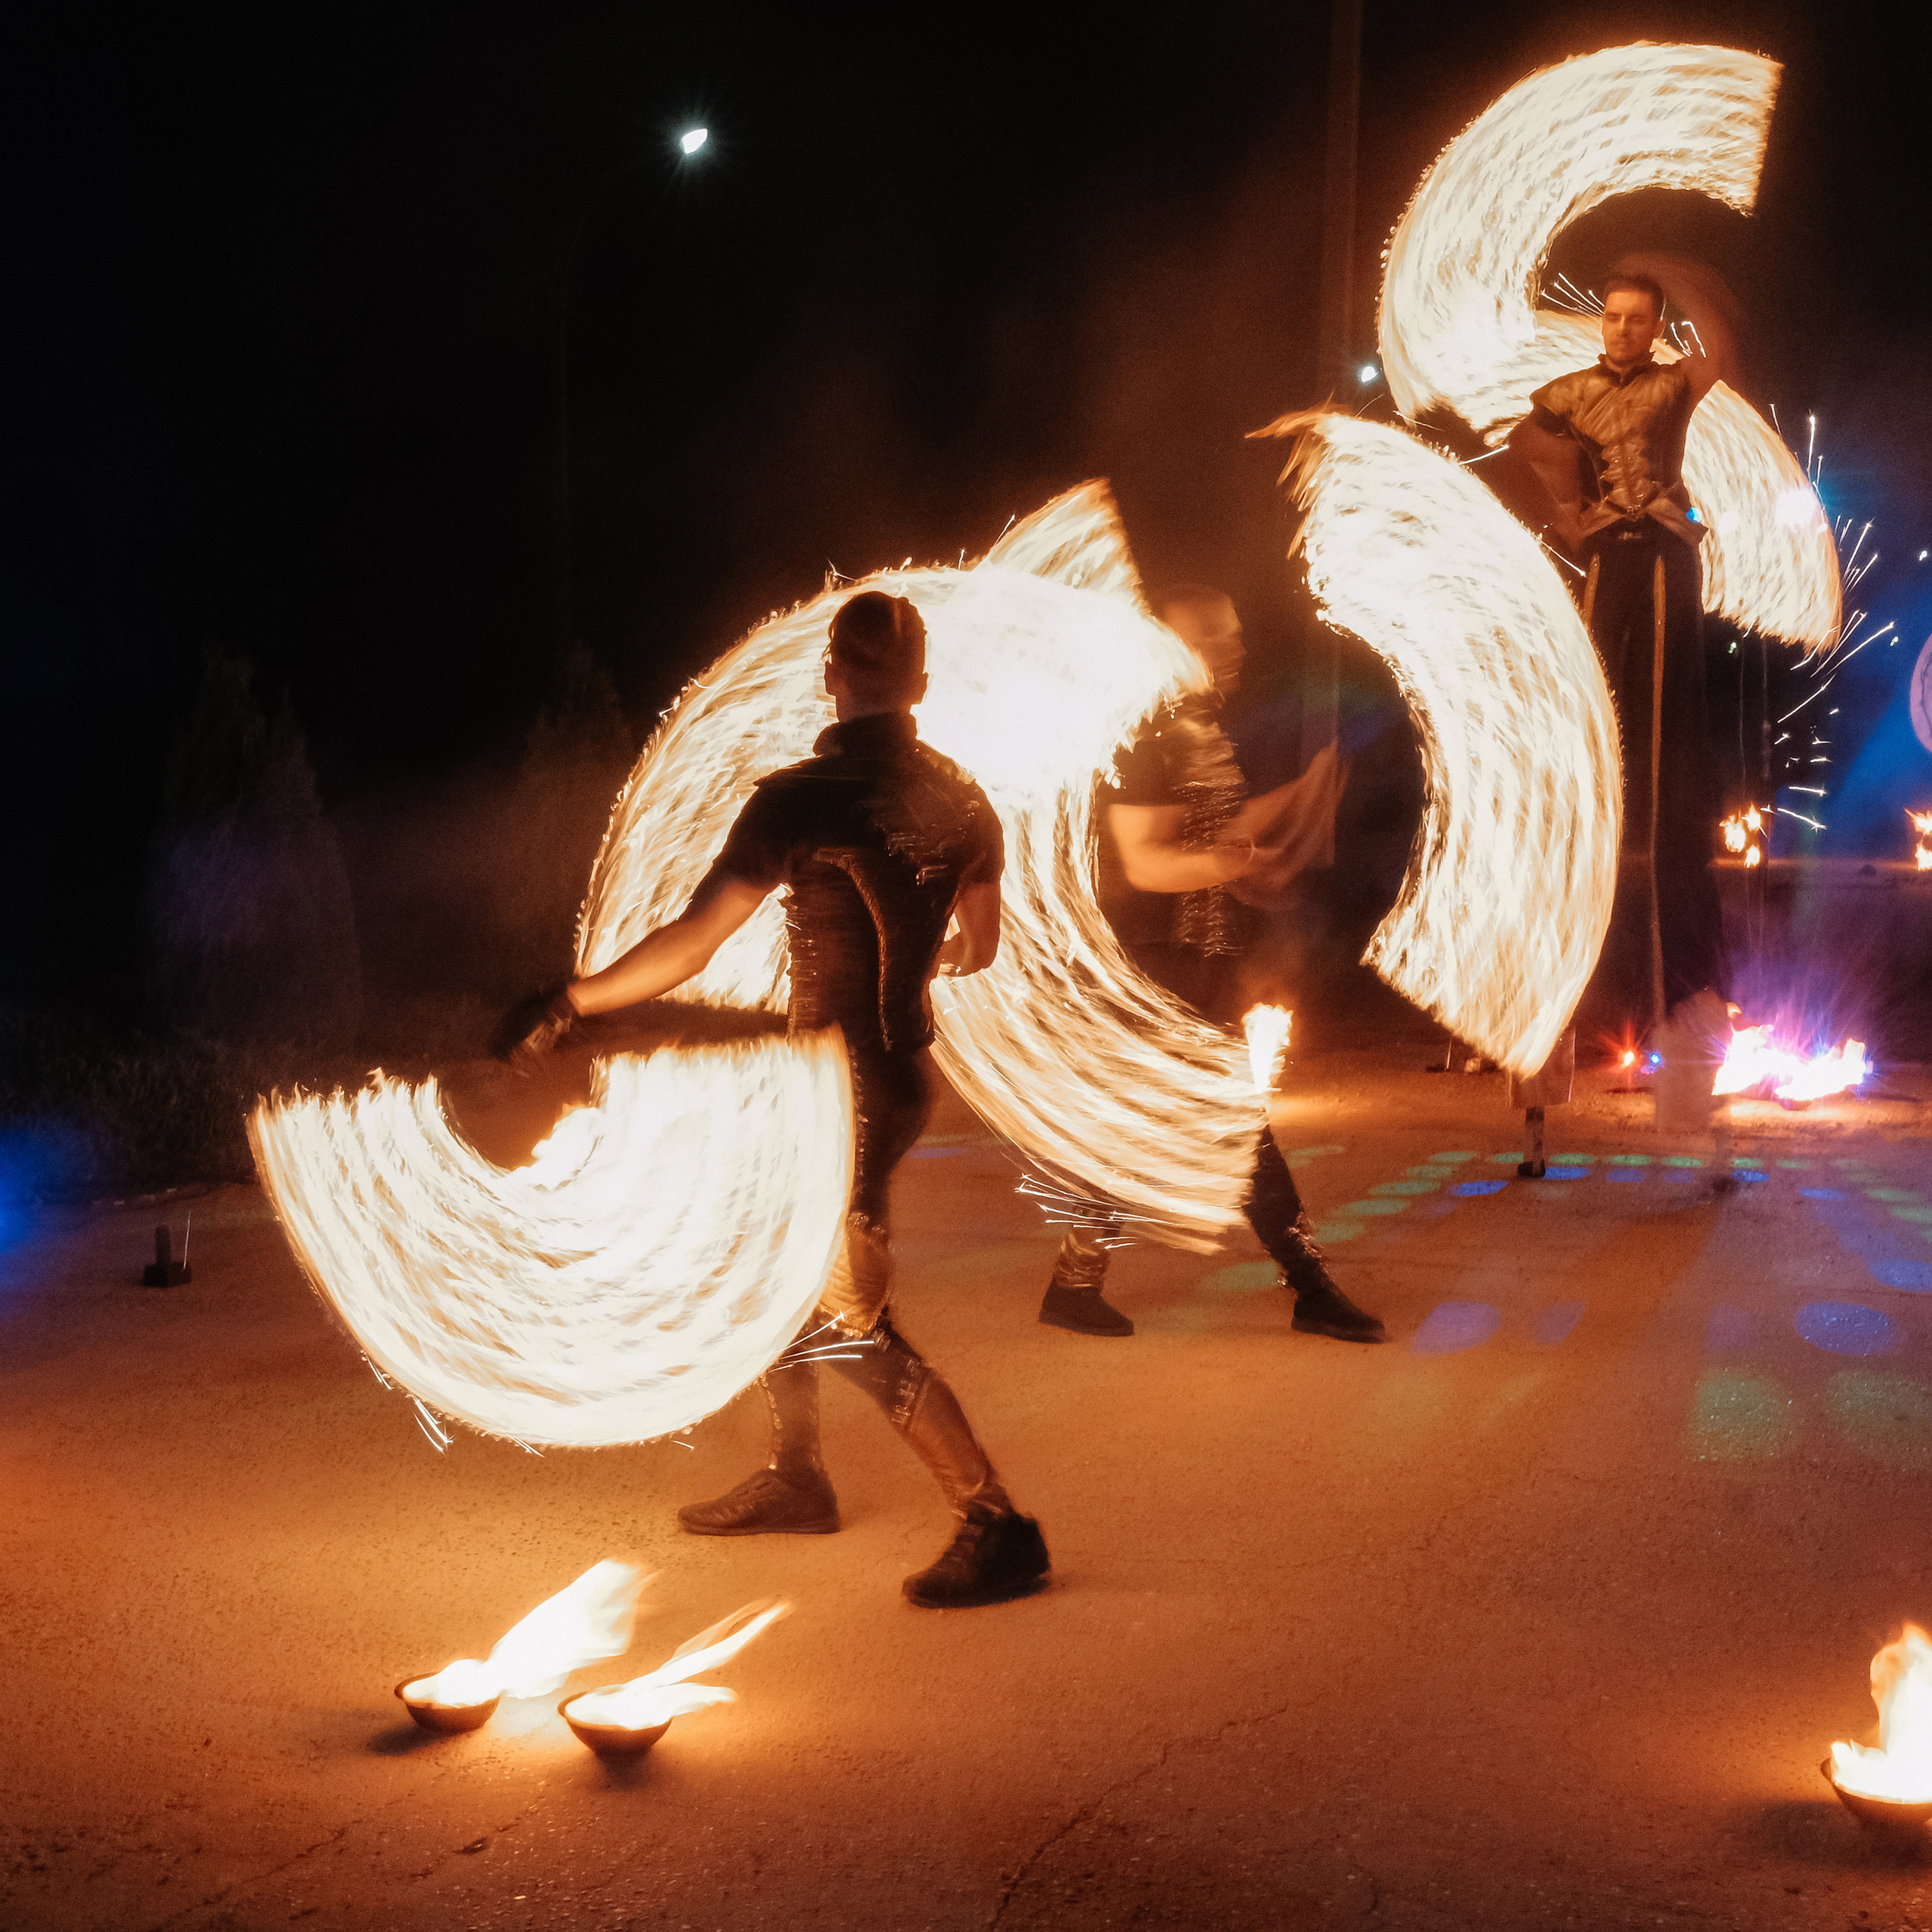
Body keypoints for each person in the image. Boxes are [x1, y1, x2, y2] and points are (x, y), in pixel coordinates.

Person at [497, 590, 1049, 1611]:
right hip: (886, 1081)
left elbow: (693, 942)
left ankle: (996, 1520)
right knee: (769, 1269)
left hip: (839, 1096)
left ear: (830, 676)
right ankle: (799, 1475)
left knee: (846, 1318)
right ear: (921, 688)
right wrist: (909, 962)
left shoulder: (798, 800)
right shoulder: (966, 802)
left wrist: (570, 1000)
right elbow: (982, 947)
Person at [1036, 586, 1386, 1345]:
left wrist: (1299, 793)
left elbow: (1220, 829)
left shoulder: (1197, 729)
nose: (1237, 651)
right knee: (1236, 1122)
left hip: (1202, 957)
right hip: (1159, 962)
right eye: (1216, 641)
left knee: (1141, 1126)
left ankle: (1074, 1280)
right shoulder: (1142, 737)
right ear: (1173, 647)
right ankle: (1309, 1284)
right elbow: (1144, 862)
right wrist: (1224, 862)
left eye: (1235, 637)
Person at [1509, 259, 1736, 1073]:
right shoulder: (1570, 391)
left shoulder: (1673, 383)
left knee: (1668, 699)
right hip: (1608, 545)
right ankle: (1595, 778)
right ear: (1600, 322)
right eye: (1612, 318)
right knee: (1598, 688)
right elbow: (1523, 437)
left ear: (1654, 327)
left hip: (1669, 551)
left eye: (1637, 320)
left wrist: (1685, 278)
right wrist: (1563, 511)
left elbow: (1715, 358)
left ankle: (1672, 786)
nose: (1621, 330)